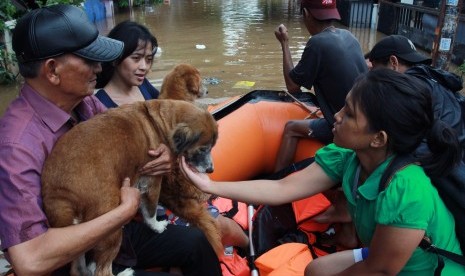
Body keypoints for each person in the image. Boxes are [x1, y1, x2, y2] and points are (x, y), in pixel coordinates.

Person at [0, 5, 221, 275]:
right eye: (89, 59)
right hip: (69, 257)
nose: (99, 68)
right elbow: (30, 260)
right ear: (53, 70)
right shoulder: (16, 146)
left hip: (115, 233)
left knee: (196, 244)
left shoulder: (85, 103)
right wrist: (123, 211)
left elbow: (133, 142)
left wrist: (162, 154)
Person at [181, 68, 465, 275]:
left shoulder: (407, 190)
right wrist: (210, 185)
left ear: (378, 138)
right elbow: (281, 189)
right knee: (315, 271)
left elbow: (380, 270)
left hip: (420, 271)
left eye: (350, 114)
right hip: (381, 255)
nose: (337, 115)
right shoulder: (349, 157)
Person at [95, 20, 249, 250]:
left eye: (149, 59)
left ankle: (250, 249)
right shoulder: (101, 107)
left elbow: (169, 128)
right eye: (136, 58)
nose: (143, 67)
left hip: (171, 185)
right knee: (216, 226)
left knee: (221, 225)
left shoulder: (144, 87)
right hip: (143, 200)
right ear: (117, 58)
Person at [273, 0, 368, 173]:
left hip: (344, 127)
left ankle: (275, 184)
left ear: (307, 14)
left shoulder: (317, 43)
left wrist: (285, 44)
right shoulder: (349, 36)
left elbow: (293, 87)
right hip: (365, 122)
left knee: (290, 128)